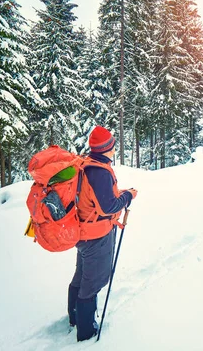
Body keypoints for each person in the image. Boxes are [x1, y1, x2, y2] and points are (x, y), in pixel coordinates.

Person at [68, 126, 137, 342]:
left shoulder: (88, 164)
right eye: (113, 146)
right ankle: (86, 332)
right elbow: (108, 207)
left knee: (82, 276)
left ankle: (75, 318)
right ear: (107, 149)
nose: (115, 149)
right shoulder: (99, 172)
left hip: (84, 232)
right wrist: (128, 196)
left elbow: (97, 199)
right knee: (94, 281)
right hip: (96, 236)